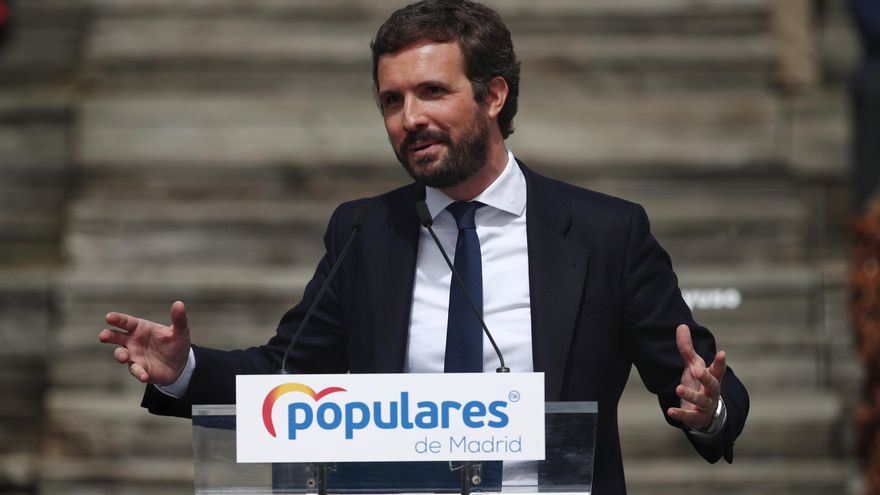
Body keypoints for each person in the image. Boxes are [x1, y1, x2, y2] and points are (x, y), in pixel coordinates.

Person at [98, 1, 749, 493]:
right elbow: (284, 375)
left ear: (493, 95)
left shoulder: (606, 232)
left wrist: (708, 404)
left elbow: (704, 382)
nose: (409, 118)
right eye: (391, 100)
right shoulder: (365, 231)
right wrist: (185, 370)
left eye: (431, 92)